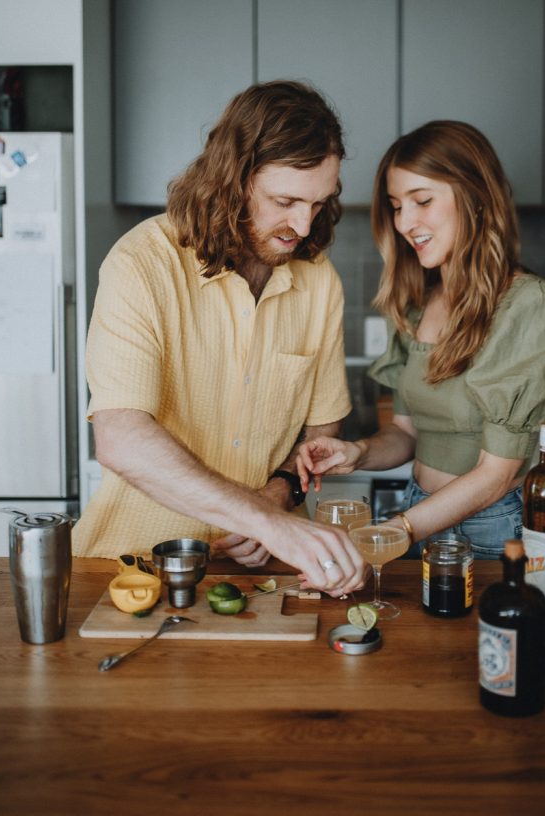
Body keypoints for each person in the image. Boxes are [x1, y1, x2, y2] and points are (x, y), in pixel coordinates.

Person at [72, 80, 366, 595]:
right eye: (285, 200)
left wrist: (276, 497)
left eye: (319, 203)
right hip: (129, 573)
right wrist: (263, 518)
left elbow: (321, 433)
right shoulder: (142, 263)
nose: (302, 223)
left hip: (259, 579)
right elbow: (120, 437)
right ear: (234, 179)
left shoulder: (320, 282)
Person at [297, 120, 545, 560]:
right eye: (395, 206)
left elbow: (496, 476)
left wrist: (397, 530)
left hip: (490, 526)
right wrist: (358, 451)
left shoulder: (528, 307)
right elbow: (405, 433)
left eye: (422, 201)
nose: (405, 222)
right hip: (416, 509)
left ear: (476, 196)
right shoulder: (418, 303)